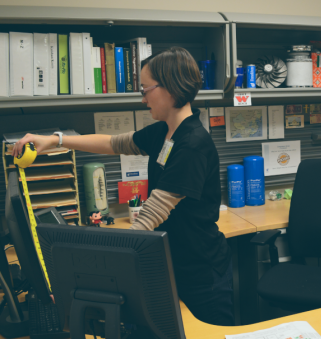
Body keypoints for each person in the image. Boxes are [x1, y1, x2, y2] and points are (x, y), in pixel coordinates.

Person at [12, 47, 234, 326]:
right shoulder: (165, 131)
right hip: (175, 264)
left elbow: (151, 216)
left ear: (170, 87)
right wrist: (55, 140)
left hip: (201, 273)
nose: (142, 99)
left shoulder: (192, 145)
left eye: (145, 89)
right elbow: (113, 143)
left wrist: (86, 270)